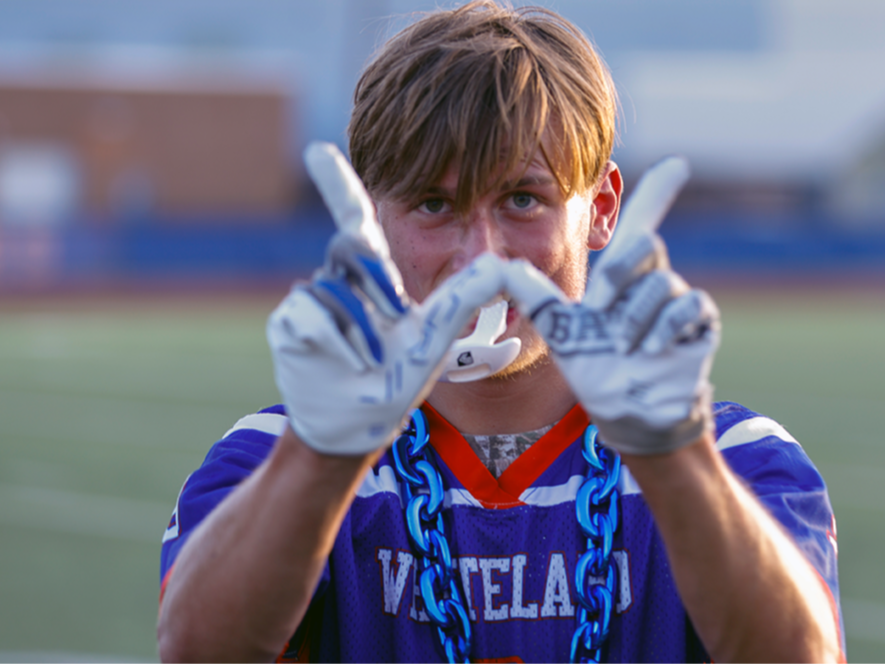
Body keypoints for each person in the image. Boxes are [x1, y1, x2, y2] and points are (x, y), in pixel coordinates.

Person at [157, 2, 845, 663]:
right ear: (372, 218)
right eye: (434, 203)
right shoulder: (269, 455)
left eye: (522, 199)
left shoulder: (737, 457)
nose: (481, 258)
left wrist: (674, 458)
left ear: (600, 207)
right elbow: (194, 650)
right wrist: (321, 457)